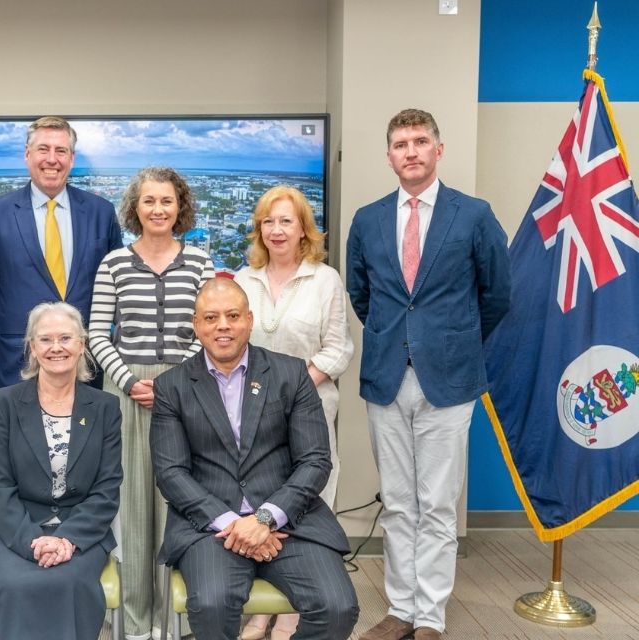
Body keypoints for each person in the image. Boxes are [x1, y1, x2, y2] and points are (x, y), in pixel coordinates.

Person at [346, 109, 510, 640]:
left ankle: (430, 617)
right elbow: (362, 294)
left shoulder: (474, 215)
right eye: (400, 143)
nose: (410, 151)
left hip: (450, 380)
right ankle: (399, 610)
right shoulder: (368, 219)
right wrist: (402, 339)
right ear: (389, 155)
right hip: (386, 378)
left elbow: (497, 296)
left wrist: (450, 342)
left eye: (420, 141)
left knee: (437, 504)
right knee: (397, 501)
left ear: (439, 149)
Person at [150, 278, 359, 640]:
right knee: (212, 605)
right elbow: (171, 472)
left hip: (289, 522)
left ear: (249, 319)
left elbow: (315, 460)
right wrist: (235, 523)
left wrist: (265, 517)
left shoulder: (290, 373)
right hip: (212, 527)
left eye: (232, 315)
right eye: (211, 317)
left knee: (337, 607)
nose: (223, 326)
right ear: (197, 325)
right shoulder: (172, 386)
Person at [0, 302, 122, 640]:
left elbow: (106, 489)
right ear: (32, 347)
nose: (57, 347)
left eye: (66, 338)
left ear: (81, 345)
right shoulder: (3, 404)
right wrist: (33, 541)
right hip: (7, 529)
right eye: (46, 339)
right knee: (12, 583)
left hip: (78, 533)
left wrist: (66, 539)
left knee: (65, 582)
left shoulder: (105, 408)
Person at [88, 167, 215, 639]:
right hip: (124, 394)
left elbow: (207, 331)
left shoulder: (201, 262)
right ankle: (137, 623)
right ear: (134, 209)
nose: (158, 209)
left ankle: (173, 621)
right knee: (131, 506)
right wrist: (127, 380)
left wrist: (170, 383)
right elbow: (97, 333)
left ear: (180, 206)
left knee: (179, 505)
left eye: (167, 200)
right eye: (149, 201)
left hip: (186, 392)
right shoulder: (113, 264)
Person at [233, 186, 354, 640]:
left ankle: (291, 615)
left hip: (310, 411)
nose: (277, 230)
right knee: (256, 504)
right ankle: (261, 610)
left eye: (286, 221)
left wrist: (293, 389)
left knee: (303, 504)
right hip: (248, 416)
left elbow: (339, 349)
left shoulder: (325, 280)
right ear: (259, 229)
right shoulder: (244, 280)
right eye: (269, 221)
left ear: (304, 228)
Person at [0, 116, 123, 391]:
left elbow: (116, 287)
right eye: (43, 149)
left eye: (61, 151)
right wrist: (21, 327)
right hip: (15, 365)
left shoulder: (101, 213)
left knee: (87, 435)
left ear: (72, 158)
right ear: (28, 155)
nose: (51, 159)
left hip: (85, 366)